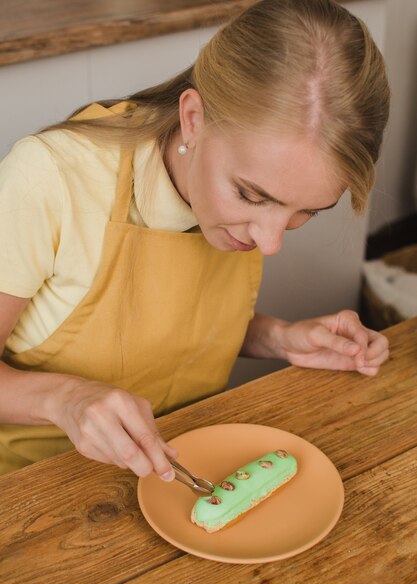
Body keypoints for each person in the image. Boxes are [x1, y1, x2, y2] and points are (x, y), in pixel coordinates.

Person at [0, 0, 390, 477]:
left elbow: (169, 326)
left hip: (184, 465)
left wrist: (281, 339)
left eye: (307, 210)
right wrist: (64, 400)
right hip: (32, 487)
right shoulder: (51, 178)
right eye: (250, 194)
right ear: (193, 119)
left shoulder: (241, 206)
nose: (270, 243)